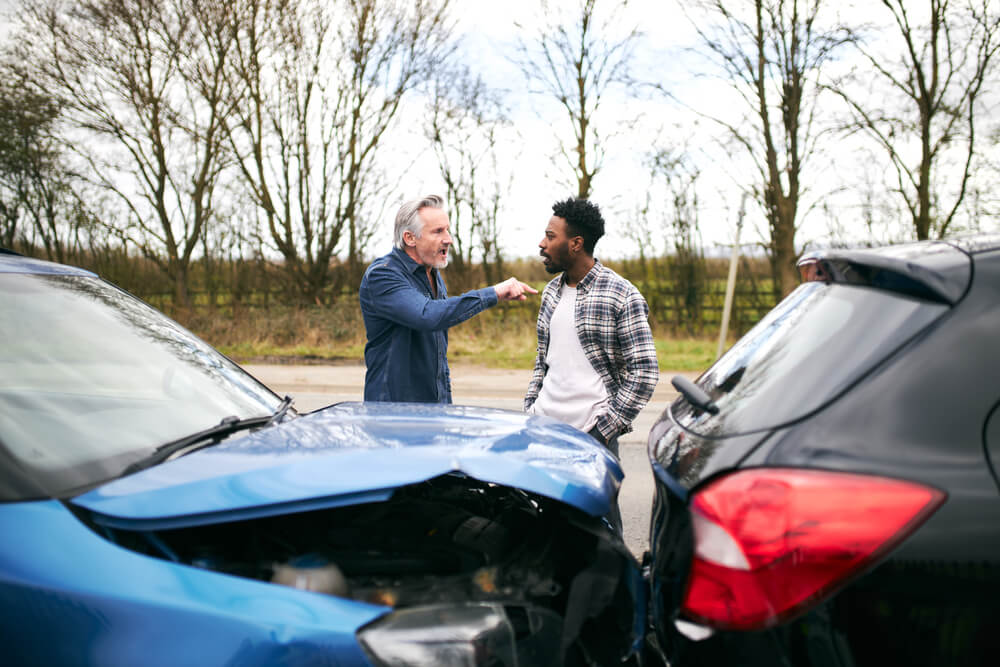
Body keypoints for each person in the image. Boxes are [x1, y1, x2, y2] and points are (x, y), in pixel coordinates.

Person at [524, 197, 659, 530]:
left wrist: (602, 432)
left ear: (576, 243)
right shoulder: (550, 293)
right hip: (544, 432)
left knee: (602, 536)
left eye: (550, 236)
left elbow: (644, 371)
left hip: (591, 437)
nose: (542, 244)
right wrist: (530, 409)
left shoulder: (621, 294)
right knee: (544, 531)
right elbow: (543, 361)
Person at [360, 194, 537, 403]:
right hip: (393, 413)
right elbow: (427, 316)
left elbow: (438, 354)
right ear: (410, 238)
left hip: (434, 409)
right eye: (438, 231)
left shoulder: (432, 273)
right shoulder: (383, 275)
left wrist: (445, 402)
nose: (448, 239)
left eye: (447, 230)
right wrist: (493, 293)